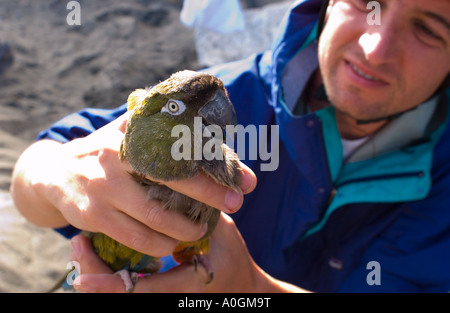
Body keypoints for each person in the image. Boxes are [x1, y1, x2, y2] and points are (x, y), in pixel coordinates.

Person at [10, 0, 450, 292]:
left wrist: (251, 291)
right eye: (366, 3)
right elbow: (32, 178)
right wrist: (60, 173)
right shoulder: (223, 94)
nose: (376, 48)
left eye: (428, 30)